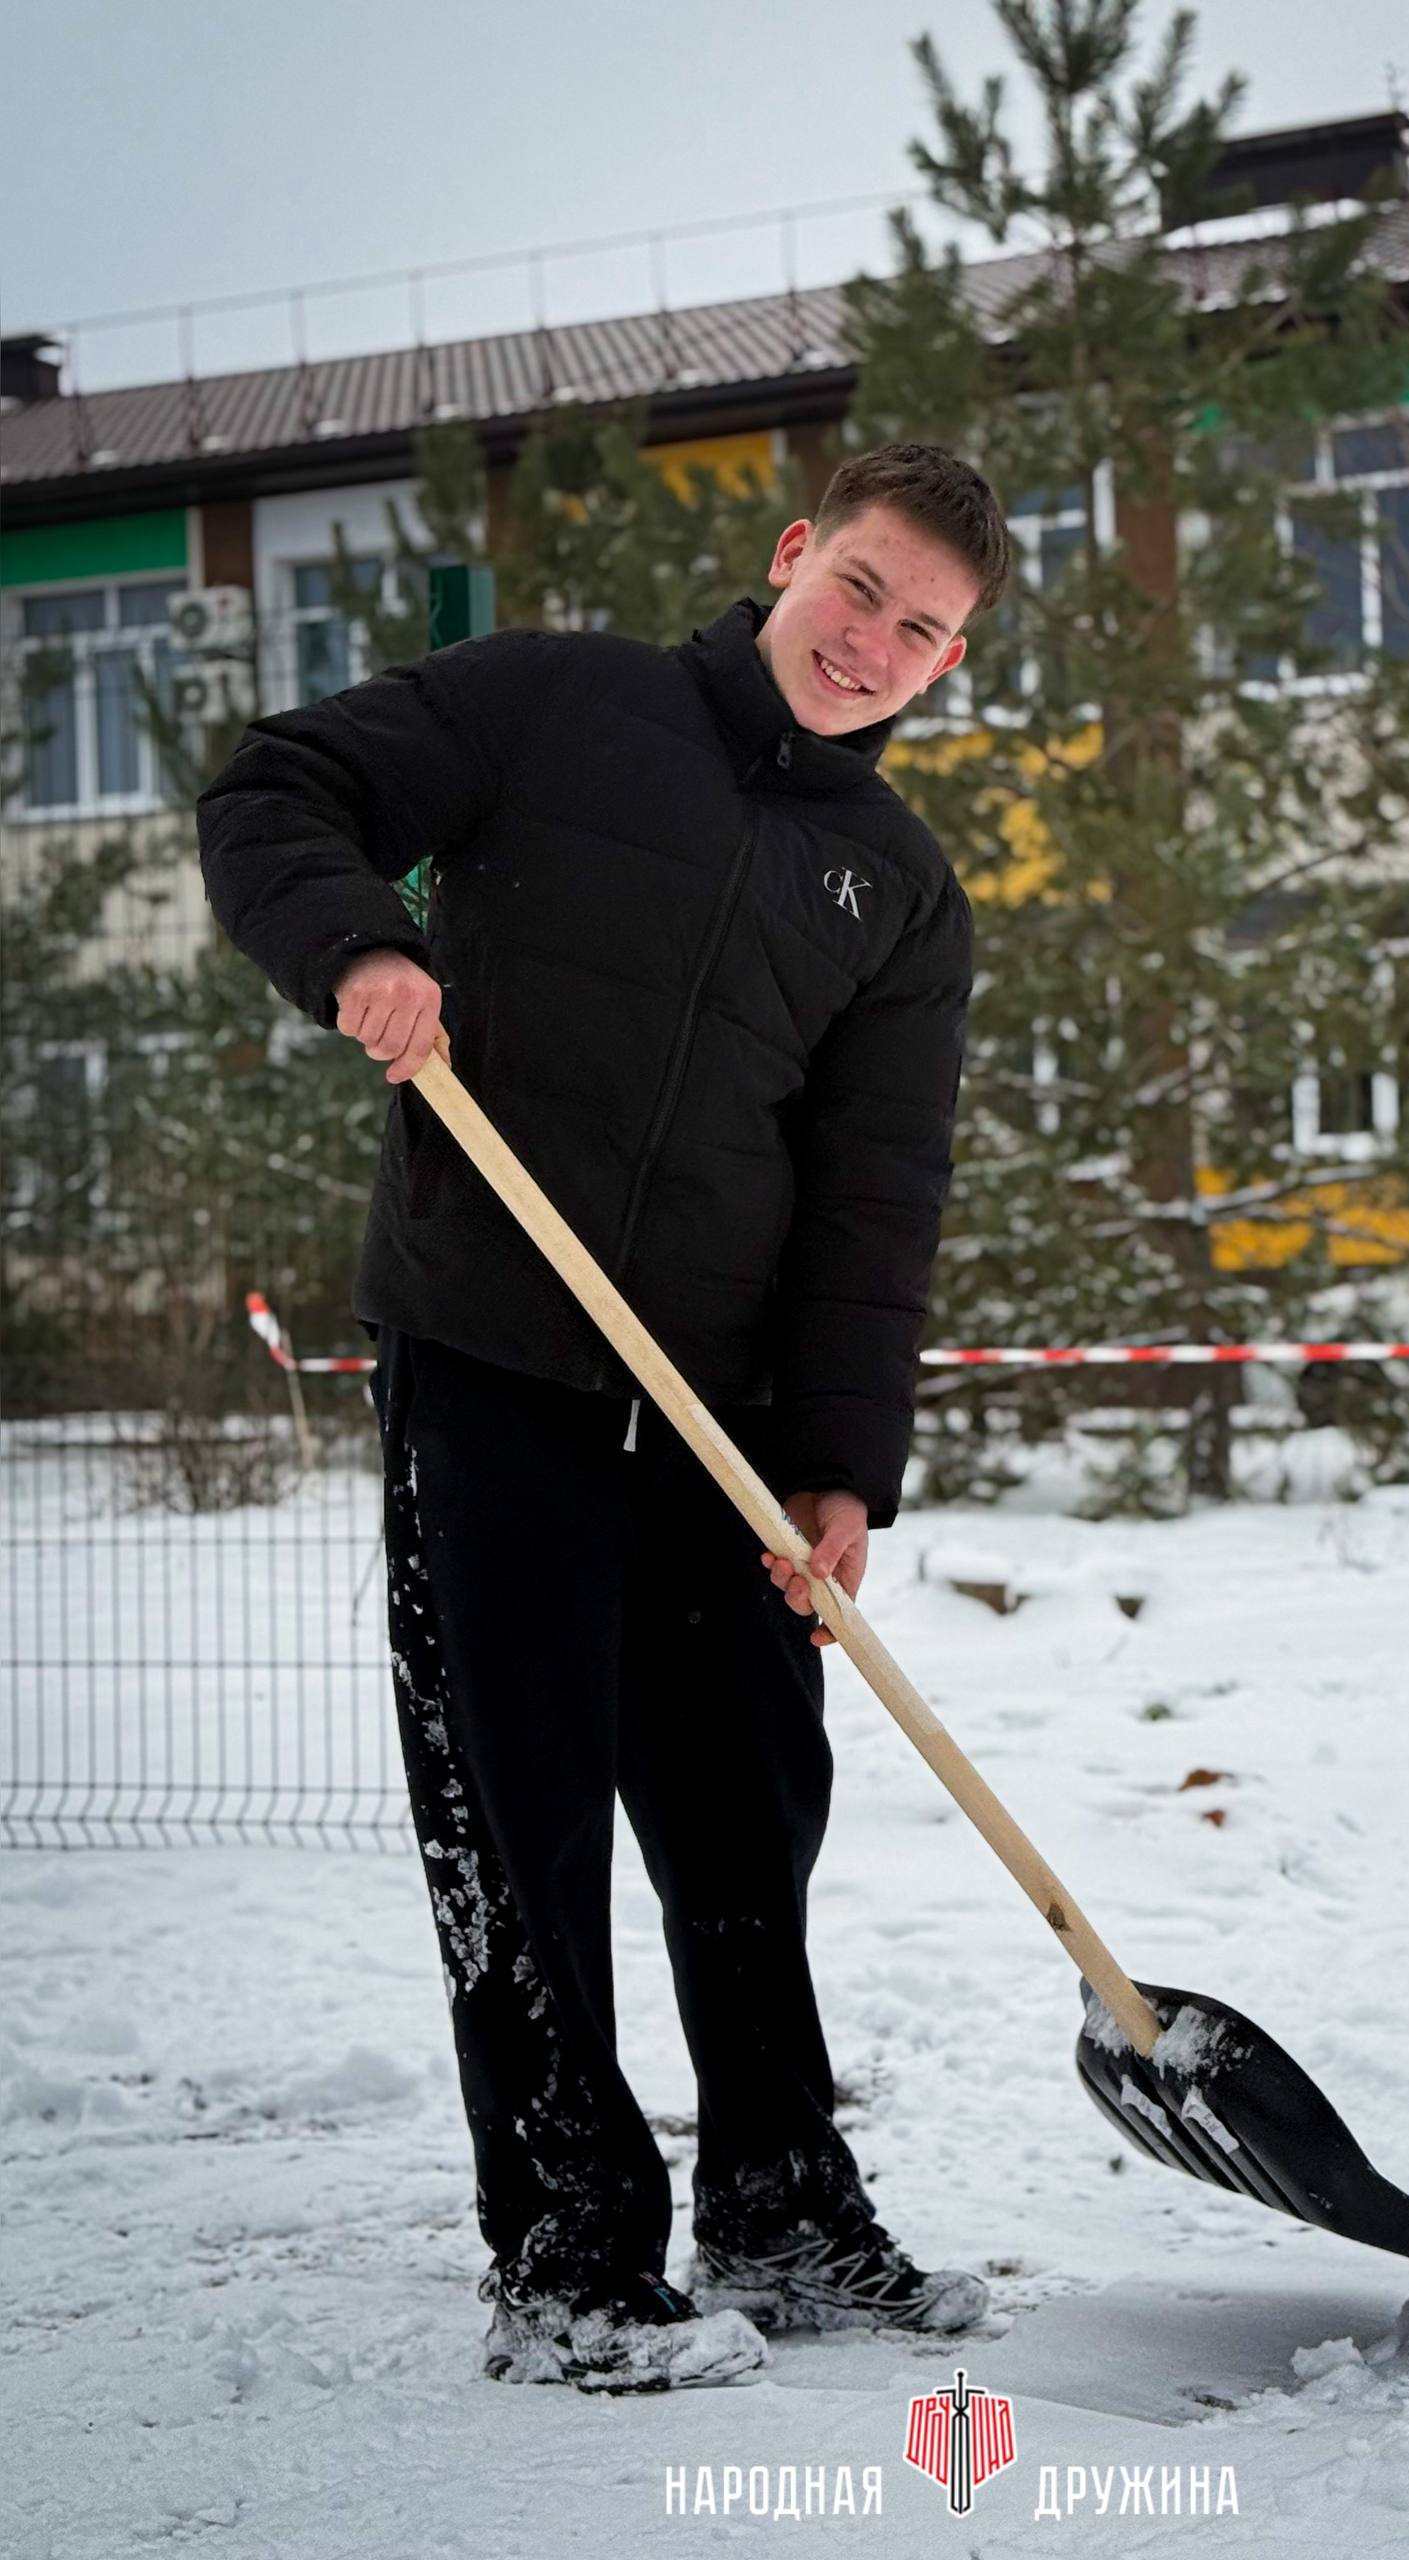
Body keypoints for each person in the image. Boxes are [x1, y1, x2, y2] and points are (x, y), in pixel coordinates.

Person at [197, 442, 1013, 2394]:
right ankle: (570, 2251)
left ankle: (784, 2204)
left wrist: (839, 1466)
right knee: (523, 1809)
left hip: (720, 1410)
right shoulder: (562, 702)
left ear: (950, 661)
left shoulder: (900, 893)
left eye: (924, 631)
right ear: (794, 552)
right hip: (493, 1358)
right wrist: (361, 945)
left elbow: (875, 1195)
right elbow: (275, 788)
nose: (874, 644)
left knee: (750, 1809)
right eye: (862, 588)